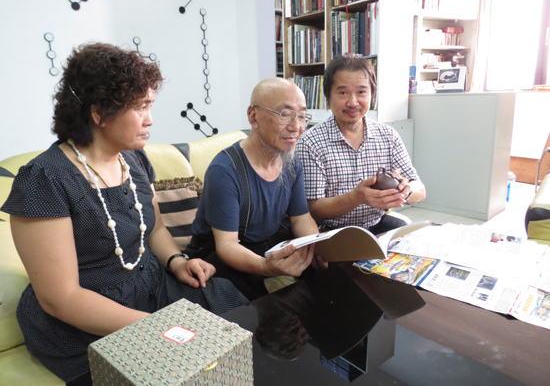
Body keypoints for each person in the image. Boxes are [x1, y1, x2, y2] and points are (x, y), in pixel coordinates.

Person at [1, 43, 248, 383]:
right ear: (99, 113)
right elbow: (61, 299)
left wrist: (177, 261)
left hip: (150, 287)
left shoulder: (133, 159)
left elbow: (155, 229)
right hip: (83, 320)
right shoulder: (45, 180)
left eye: (150, 105)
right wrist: (160, 327)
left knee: (232, 314)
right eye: (141, 107)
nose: (150, 119)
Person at [188, 78, 326, 301]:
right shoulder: (225, 170)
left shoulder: (292, 163)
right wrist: (265, 266)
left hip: (265, 244)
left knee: (324, 281)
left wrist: (318, 249)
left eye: (302, 116)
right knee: (253, 304)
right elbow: (227, 245)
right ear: (253, 116)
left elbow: (301, 218)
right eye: (285, 114)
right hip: (221, 252)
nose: (296, 127)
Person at [296, 53, 426, 235]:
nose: (353, 102)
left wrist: (406, 191)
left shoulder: (388, 136)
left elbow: (420, 190)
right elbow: (313, 209)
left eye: (361, 92)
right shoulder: (311, 143)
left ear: (372, 95)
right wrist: (356, 198)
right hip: (332, 231)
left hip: (377, 223)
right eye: (343, 92)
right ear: (328, 97)